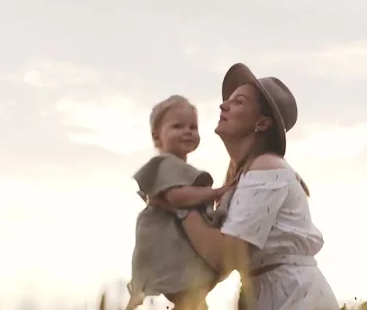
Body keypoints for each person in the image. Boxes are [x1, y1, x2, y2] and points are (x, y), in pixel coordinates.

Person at [149, 63, 339, 310]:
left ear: (262, 123)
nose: (223, 105)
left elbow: (224, 256)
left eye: (238, 101)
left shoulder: (268, 168)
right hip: (266, 295)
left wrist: (178, 204)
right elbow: (218, 259)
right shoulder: (243, 177)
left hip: (295, 297)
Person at [126, 95, 234, 310]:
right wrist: (217, 192)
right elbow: (178, 198)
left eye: (193, 127)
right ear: (157, 137)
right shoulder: (164, 164)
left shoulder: (180, 168)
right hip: (168, 242)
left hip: (179, 243)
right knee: (183, 289)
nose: (188, 131)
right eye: (177, 126)